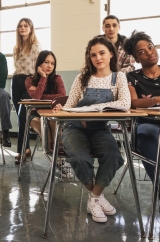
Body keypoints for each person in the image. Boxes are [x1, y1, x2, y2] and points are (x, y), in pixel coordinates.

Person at [59, 36, 130, 223]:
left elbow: (125, 103)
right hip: (76, 127)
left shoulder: (119, 77)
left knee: (113, 156)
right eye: (93, 55)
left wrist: (98, 108)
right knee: (79, 157)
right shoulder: (82, 78)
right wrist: (66, 111)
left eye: (102, 53)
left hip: (100, 128)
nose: (98, 58)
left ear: (111, 54)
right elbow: (69, 105)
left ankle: (94, 198)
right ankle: (97, 198)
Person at [124, 31, 160, 183]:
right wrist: (157, 99)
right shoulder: (132, 77)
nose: (149, 53)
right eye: (142, 52)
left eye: (150, 47)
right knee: (147, 133)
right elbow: (134, 103)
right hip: (146, 123)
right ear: (137, 58)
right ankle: (158, 185)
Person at [11, 18, 41, 164]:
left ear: (30, 28)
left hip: (29, 82)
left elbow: (39, 68)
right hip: (16, 81)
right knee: (20, 117)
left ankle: (21, 151)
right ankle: (27, 148)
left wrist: (35, 84)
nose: (22, 28)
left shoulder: (35, 46)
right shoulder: (16, 47)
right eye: (20, 26)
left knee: (24, 114)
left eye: (25, 26)